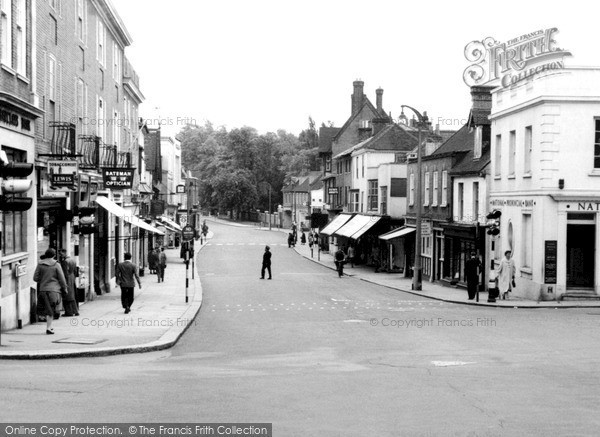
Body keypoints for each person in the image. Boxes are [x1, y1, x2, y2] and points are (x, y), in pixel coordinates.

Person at [33, 248, 68, 335]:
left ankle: (49, 326)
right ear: (54, 255)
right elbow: (62, 279)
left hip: (43, 290)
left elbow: (35, 278)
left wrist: (43, 279)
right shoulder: (56, 265)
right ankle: (49, 328)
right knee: (51, 309)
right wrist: (65, 288)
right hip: (54, 291)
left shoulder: (40, 264)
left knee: (48, 309)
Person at [59, 249, 79, 316]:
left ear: (64, 253)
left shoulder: (65, 262)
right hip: (72, 277)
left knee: (66, 295)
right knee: (72, 295)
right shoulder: (72, 260)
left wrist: (65, 283)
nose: (60, 255)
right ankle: (75, 310)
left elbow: (65, 273)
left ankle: (69, 311)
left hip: (67, 278)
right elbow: (75, 271)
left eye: (61, 253)